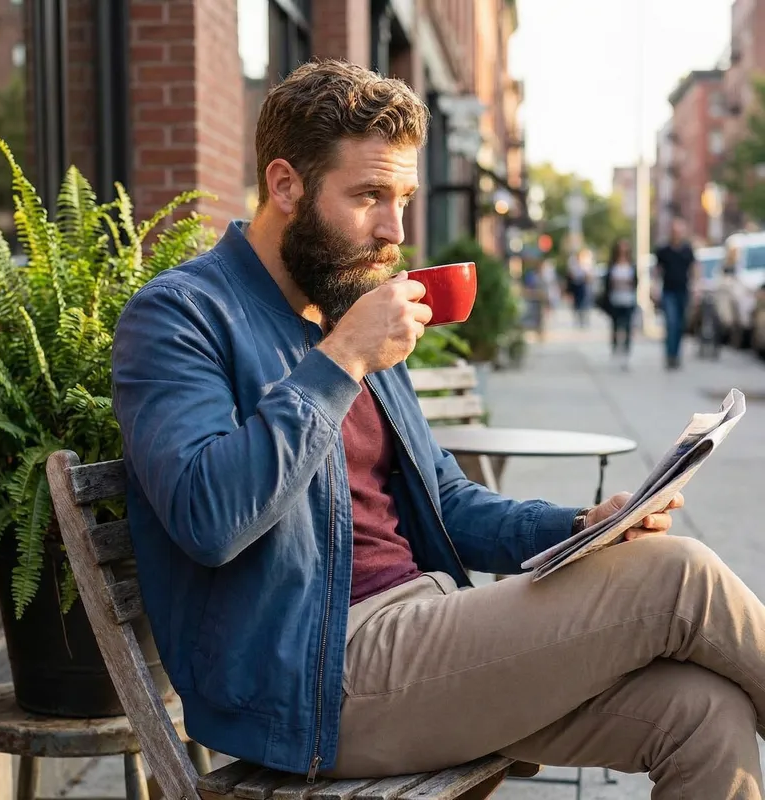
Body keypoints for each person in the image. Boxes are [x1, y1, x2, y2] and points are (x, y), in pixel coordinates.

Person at [112, 61, 765, 799]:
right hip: (314, 676)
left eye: (403, 198)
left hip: (427, 630)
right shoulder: (181, 317)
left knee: (705, 713)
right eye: (368, 197)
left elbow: (447, 502)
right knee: (679, 576)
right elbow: (209, 518)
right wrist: (343, 359)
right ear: (286, 185)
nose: (394, 231)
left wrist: (582, 525)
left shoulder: (347, 300)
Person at [655, 218, 697, 370]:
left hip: (683, 291)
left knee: (680, 325)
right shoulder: (663, 250)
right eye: (674, 231)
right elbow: (657, 270)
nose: (677, 234)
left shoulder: (687, 250)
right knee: (671, 323)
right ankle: (670, 355)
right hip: (668, 291)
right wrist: (654, 288)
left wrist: (696, 286)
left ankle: (677, 354)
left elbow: (694, 268)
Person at [602, 238, 638, 370]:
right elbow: (607, 283)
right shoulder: (613, 265)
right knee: (616, 326)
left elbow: (635, 282)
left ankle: (626, 351)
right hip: (615, 300)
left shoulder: (631, 265)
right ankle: (615, 347)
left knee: (628, 326)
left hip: (628, 300)